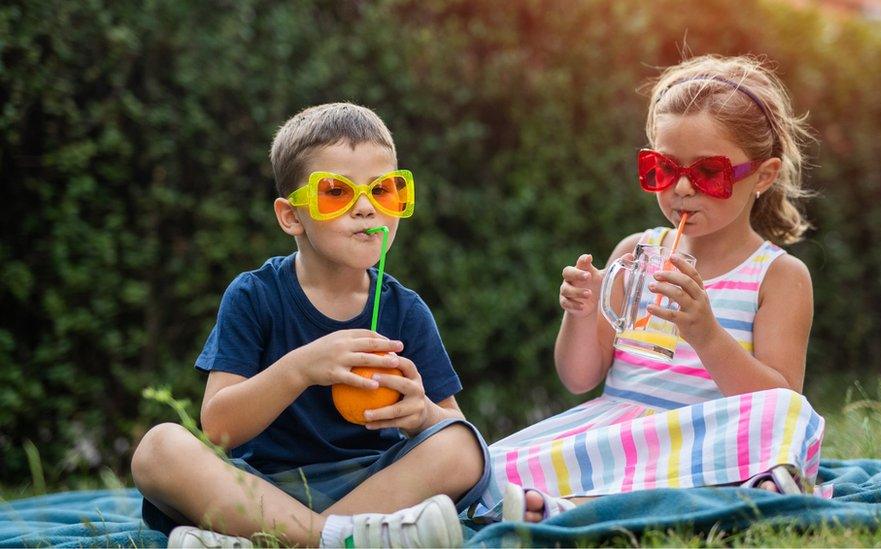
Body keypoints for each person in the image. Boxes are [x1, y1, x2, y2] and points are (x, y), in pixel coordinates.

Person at [473, 54, 826, 522]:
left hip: (713, 440)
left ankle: (578, 506)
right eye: (663, 168)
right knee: (488, 469)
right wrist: (580, 315)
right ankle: (713, 499)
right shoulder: (636, 253)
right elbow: (580, 378)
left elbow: (776, 399)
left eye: (708, 174)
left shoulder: (778, 276)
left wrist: (706, 334)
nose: (681, 187)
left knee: (788, 414)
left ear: (762, 175)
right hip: (623, 436)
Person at [132, 103, 490, 547]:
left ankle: (278, 540)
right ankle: (328, 538)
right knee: (158, 448)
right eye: (337, 192)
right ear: (291, 216)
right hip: (265, 487)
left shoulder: (405, 310)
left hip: (373, 489)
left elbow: (451, 426)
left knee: (464, 446)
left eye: (384, 190)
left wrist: (423, 414)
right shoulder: (255, 296)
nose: (366, 208)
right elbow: (219, 428)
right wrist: (301, 368)